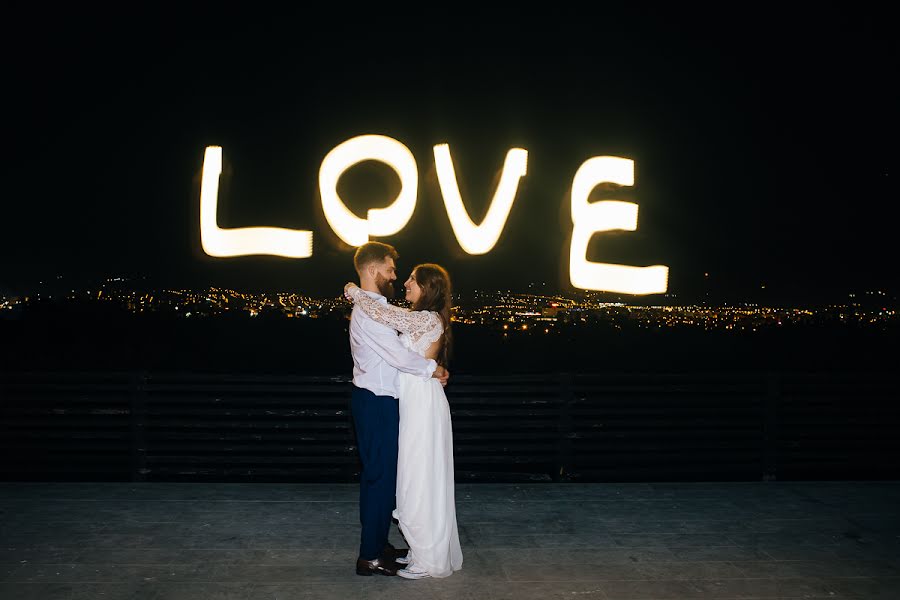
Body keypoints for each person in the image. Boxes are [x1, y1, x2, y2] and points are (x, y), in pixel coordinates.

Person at [344, 262, 463, 579]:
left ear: (428, 288)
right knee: (412, 474)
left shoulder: (424, 319)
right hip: (410, 399)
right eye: (401, 274)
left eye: (412, 279)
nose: (404, 281)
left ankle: (424, 550)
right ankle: (412, 546)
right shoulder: (423, 319)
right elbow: (390, 323)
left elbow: (385, 315)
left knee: (418, 476)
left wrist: (354, 290)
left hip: (419, 401)